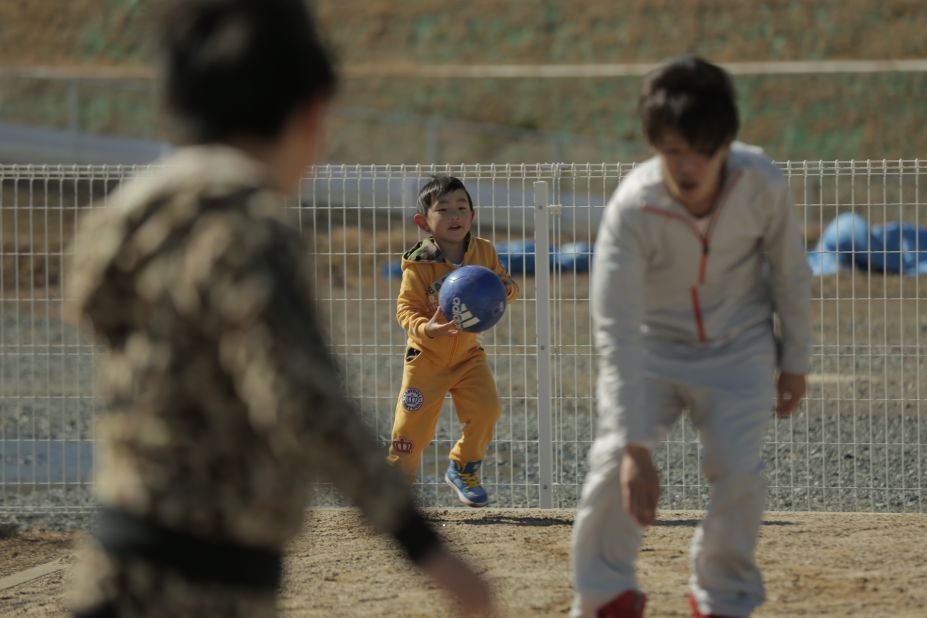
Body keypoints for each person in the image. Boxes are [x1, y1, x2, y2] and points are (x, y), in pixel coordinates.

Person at [64, 1, 494, 616]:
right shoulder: (250, 227)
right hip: (209, 582)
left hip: (114, 559)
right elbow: (300, 393)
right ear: (309, 115)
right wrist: (423, 544)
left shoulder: (124, 216)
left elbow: (89, 303)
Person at [570, 56, 811, 618]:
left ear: (727, 140)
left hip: (739, 345)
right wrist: (634, 447)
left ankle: (722, 598)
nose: (685, 166)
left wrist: (794, 361)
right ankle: (607, 597)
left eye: (700, 150)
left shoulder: (762, 183)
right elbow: (616, 329)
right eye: (672, 150)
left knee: (738, 471)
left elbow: (791, 272)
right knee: (610, 467)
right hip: (651, 349)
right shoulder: (634, 207)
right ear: (654, 145)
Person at [386, 175, 519, 507]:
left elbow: (504, 288)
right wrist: (426, 328)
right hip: (426, 359)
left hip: (467, 355)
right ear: (423, 221)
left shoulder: (484, 251)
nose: (454, 215)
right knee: (409, 431)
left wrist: (507, 289)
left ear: (472, 216)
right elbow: (405, 310)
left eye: (461, 207)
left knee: (487, 410)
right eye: (443, 209)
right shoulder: (418, 264)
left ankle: (463, 468)